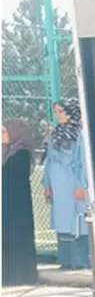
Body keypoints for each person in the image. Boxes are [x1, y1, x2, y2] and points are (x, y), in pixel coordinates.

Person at [42, 99, 91, 270]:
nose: (58, 115)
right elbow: (49, 159)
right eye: (56, 112)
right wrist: (47, 184)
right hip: (57, 183)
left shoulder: (80, 134)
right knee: (61, 220)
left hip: (72, 181)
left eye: (61, 111)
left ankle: (80, 261)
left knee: (77, 220)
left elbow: (83, 162)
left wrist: (81, 185)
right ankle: (65, 260)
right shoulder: (55, 134)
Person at [2, 121, 40, 286]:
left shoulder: (21, 153)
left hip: (17, 207)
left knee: (18, 239)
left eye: (4, 132)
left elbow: (11, 175)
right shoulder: (5, 152)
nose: (1, 136)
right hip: (5, 206)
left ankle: (21, 276)